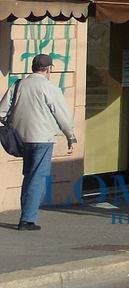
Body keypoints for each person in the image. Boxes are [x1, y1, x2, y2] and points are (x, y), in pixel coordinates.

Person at [0, 55, 76, 230]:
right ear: (48, 69)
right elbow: (61, 115)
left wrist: (14, 123)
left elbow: (2, 111)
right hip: (42, 139)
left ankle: (26, 214)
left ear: (33, 67)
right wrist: (70, 136)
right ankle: (27, 220)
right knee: (37, 178)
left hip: (21, 139)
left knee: (29, 176)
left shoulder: (18, 85)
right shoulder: (49, 88)